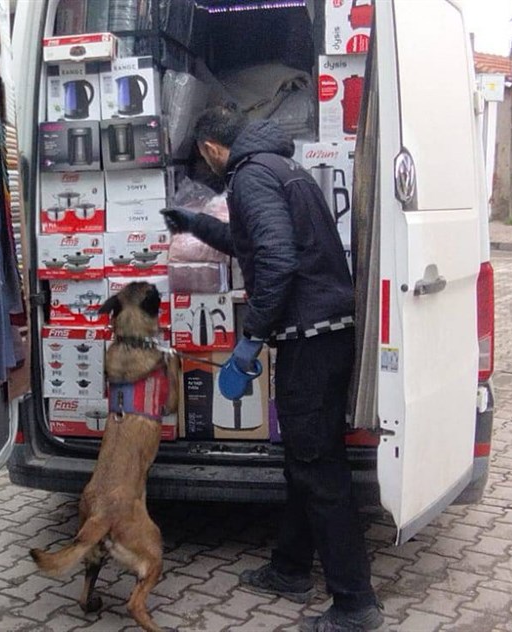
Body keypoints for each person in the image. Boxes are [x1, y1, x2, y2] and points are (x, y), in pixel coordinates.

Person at [162, 106, 384, 632]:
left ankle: (355, 604)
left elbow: (279, 259)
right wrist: (197, 224)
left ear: (211, 150)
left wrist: (250, 339)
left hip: (310, 339)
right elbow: (255, 242)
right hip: (326, 334)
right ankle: (289, 568)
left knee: (318, 469)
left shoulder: (249, 177)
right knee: (301, 461)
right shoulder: (280, 168)